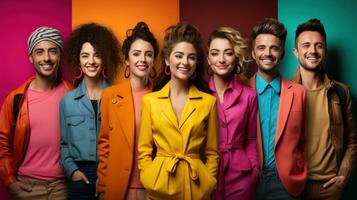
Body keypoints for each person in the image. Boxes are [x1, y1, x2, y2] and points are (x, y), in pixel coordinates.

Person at [138, 23, 219, 200]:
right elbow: (144, 150)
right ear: (167, 59)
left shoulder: (209, 102)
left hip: (196, 187)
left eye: (191, 57)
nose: (185, 62)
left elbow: (212, 152)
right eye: (179, 55)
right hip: (159, 187)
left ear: (196, 62)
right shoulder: (150, 101)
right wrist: (148, 178)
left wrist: (209, 181)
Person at [0, 26, 71, 199]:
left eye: (53, 51)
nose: (47, 58)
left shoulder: (73, 96)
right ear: (31, 57)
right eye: (39, 52)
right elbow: (2, 144)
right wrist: (10, 182)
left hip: (63, 186)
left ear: (60, 55)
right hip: (27, 187)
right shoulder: (15, 99)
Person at [291, 18, 357, 200]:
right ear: (296, 52)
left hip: (330, 188)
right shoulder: (284, 93)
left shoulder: (340, 93)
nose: (312, 50)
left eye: (319, 45)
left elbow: (352, 142)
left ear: (325, 52)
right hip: (293, 187)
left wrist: (343, 174)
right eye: (306, 45)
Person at [97, 21, 158, 200]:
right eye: (136, 54)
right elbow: (104, 144)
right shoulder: (110, 96)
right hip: (117, 187)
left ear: (154, 60)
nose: (143, 59)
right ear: (126, 59)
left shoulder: (161, 96)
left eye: (148, 54)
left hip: (153, 186)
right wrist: (102, 187)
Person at [247, 18, 307, 199]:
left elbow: (304, 140)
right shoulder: (240, 90)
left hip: (285, 183)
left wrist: (300, 172)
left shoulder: (299, 93)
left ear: (282, 53)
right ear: (253, 53)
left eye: (274, 48)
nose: (268, 53)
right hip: (247, 180)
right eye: (261, 48)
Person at [59, 23, 120, 199]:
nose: (91, 62)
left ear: (105, 59)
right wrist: (73, 171)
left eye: (97, 55)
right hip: (80, 176)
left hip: (111, 173)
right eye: (85, 56)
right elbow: (63, 145)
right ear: (78, 60)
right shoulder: (67, 101)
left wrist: (110, 174)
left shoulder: (118, 98)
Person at [207, 27, 259, 200]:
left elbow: (251, 139)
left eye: (228, 53)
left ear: (236, 57)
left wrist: (254, 170)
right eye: (215, 53)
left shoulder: (249, 95)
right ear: (208, 58)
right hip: (207, 173)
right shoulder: (198, 94)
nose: (221, 59)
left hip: (242, 176)